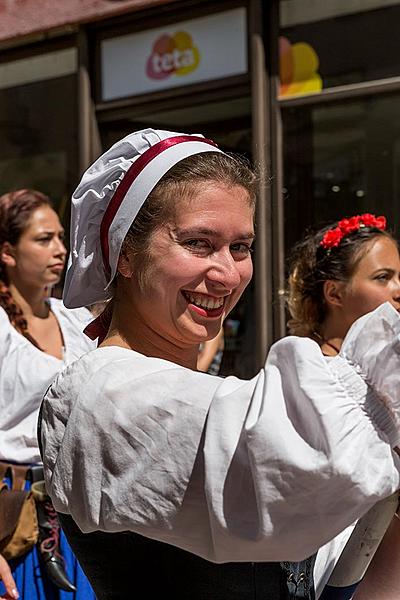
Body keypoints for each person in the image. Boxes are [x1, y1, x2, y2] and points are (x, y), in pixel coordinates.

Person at [39, 129, 400, 600]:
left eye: (241, 247)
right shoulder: (97, 396)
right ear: (125, 252)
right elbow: (294, 464)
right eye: (198, 243)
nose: (228, 274)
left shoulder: (214, 397)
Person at [286, 213, 400, 599]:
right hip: (342, 568)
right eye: (383, 278)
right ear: (334, 293)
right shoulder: (309, 376)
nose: (398, 289)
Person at [0, 190, 96, 599]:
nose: (60, 249)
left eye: (61, 237)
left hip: (77, 516)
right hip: (9, 520)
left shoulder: (75, 319)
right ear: (7, 251)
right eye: (43, 239)